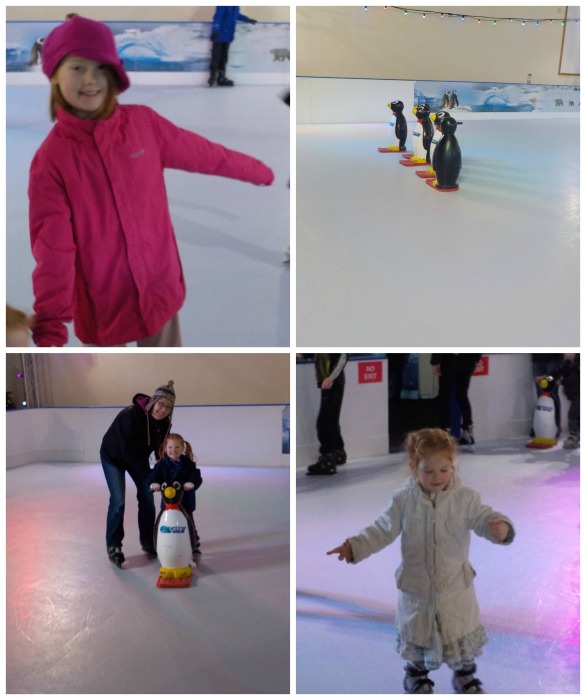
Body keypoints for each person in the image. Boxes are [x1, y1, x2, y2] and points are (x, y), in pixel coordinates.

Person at [29, 15, 274, 347]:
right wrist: (50, 324)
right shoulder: (51, 161)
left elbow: (204, 153)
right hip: (102, 304)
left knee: (166, 360)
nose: (90, 79)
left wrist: (256, 169)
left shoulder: (143, 125)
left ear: (115, 73)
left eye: (101, 67)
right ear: (54, 74)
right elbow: (53, 250)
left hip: (158, 285)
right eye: (76, 67)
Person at [327, 428, 515, 694]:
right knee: (419, 633)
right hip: (418, 586)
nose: (437, 477)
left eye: (444, 469)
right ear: (414, 467)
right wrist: (353, 546)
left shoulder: (465, 499)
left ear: (453, 466)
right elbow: (381, 529)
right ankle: (416, 675)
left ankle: (465, 676)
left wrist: (501, 529)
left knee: (459, 632)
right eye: (428, 471)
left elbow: (485, 518)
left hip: (455, 585)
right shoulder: (403, 500)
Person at [100, 380, 176, 566]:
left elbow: (160, 451)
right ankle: (114, 545)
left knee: (147, 497)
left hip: (137, 458)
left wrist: (164, 472)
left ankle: (148, 541)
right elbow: (127, 452)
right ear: (153, 402)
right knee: (118, 500)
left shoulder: (165, 424)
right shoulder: (132, 415)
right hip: (114, 456)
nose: (162, 409)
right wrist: (149, 476)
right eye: (160, 404)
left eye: (168, 406)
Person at [149, 432, 203, 561]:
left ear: (183, 448)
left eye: (177, 447)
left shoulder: (189, 464)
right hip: (168, 502)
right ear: (165, 449)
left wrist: (192, 483)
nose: (173, 450)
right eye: (170, 447)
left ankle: (194, 545)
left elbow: (196, 477)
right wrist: (153, 483)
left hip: (185, 501)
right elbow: (153, 477)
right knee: (163, 523)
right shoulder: (160, 465)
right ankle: (162, 544)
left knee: (189, 522)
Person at [306, 353, 348, 475]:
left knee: (324, 423)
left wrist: (331, 378)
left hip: (332, 382)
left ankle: (328, 459)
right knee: (331, 420)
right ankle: (338, 452)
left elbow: (343, 356)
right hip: (331, 381)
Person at [430, 354, 481, 447]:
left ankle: (445, 433)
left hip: (450, 360)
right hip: (468, 360)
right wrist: (476, 359)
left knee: (444, 397)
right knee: (462, 395)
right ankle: (468, 430)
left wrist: (435, 362)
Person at [208, 6, 257, 87]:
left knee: (224, 57)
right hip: (219, 35)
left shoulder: (235, 6)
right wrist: (215, 29)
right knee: (216, 56)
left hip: (228, 35)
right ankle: (212, 77)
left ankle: (221, 77)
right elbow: (217, 16)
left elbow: (237, 15)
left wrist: (247, 19)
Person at [550, 354, 579, 449]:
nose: (564, 354)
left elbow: (575, 379)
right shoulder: (568, 363)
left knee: (573, 414)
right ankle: (575, 437)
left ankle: (574, 438)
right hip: (575, 393)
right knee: (575, 414)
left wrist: (562, 382)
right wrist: (546, 378)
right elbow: (557, 372)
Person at [531, 354, 563, 437]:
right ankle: (539, 426)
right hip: (537, 358)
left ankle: (555, 426)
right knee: (540, 394)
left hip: (553, 358)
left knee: (552, 393)